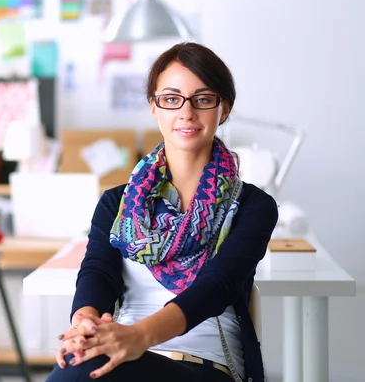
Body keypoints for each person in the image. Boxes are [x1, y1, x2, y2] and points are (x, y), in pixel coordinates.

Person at [46, 42, 278, 382]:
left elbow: (218, 287)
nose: (186, 113)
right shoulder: (116, 203)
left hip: (204, 366)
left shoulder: (252, 206)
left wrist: (138, 337)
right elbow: (98, 272)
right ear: (154, 108)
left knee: (85, 368)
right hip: (121, 356)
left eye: (203, 99)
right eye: (171, 99)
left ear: (223, 109)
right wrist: (84, 322)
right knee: (83, 360)